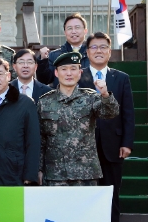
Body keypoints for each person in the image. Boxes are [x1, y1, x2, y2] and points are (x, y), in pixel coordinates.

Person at [83, 32, 135, 222]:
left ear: (110, 51)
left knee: (111, 198)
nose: (99, 51)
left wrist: (126, 143)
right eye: (94, 47)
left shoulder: (121, 78)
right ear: (87, 52)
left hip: (113, 147)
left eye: (103, 47)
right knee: (86, 197)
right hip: (82, 148)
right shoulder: (77, 75)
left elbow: (128, 113)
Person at [38, 52, 119, 187]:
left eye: (73, 69)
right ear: (56, 73)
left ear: (80, 72)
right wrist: (39, 169)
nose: (69, 73)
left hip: (86, 174)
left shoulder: (91, 97)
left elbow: (110, 113)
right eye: (64, 69)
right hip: (55, 174)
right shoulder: (44, 102)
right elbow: (41, 139)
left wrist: (105, 94)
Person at [0, 58, 40, 186]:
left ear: (9, 76)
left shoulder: (25, 103)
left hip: (14, 174)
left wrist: (30, 174)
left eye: (0, 74)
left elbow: (33, 141)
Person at [36, 13, 90, 86]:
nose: (73, 31)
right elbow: (44, 80)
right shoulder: (54, 55)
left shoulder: (92, 54)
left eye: (77, 27)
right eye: (69, 28)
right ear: (65, 32)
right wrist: (43, 61)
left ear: (85, 31)